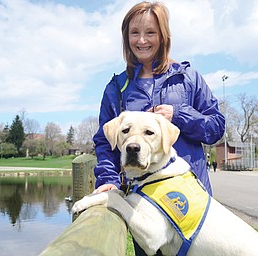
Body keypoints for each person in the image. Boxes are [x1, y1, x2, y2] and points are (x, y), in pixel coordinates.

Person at [92, 2, 225, 254]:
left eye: (150, 32)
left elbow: (216, 127)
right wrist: (109, 180)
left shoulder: (188, 78)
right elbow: (104, 142)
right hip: (144, 204)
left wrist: (180, 115)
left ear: (163, 35)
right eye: (134, 33)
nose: (142, 40)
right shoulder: (116, 88)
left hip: (189, 199)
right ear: (126, 36)